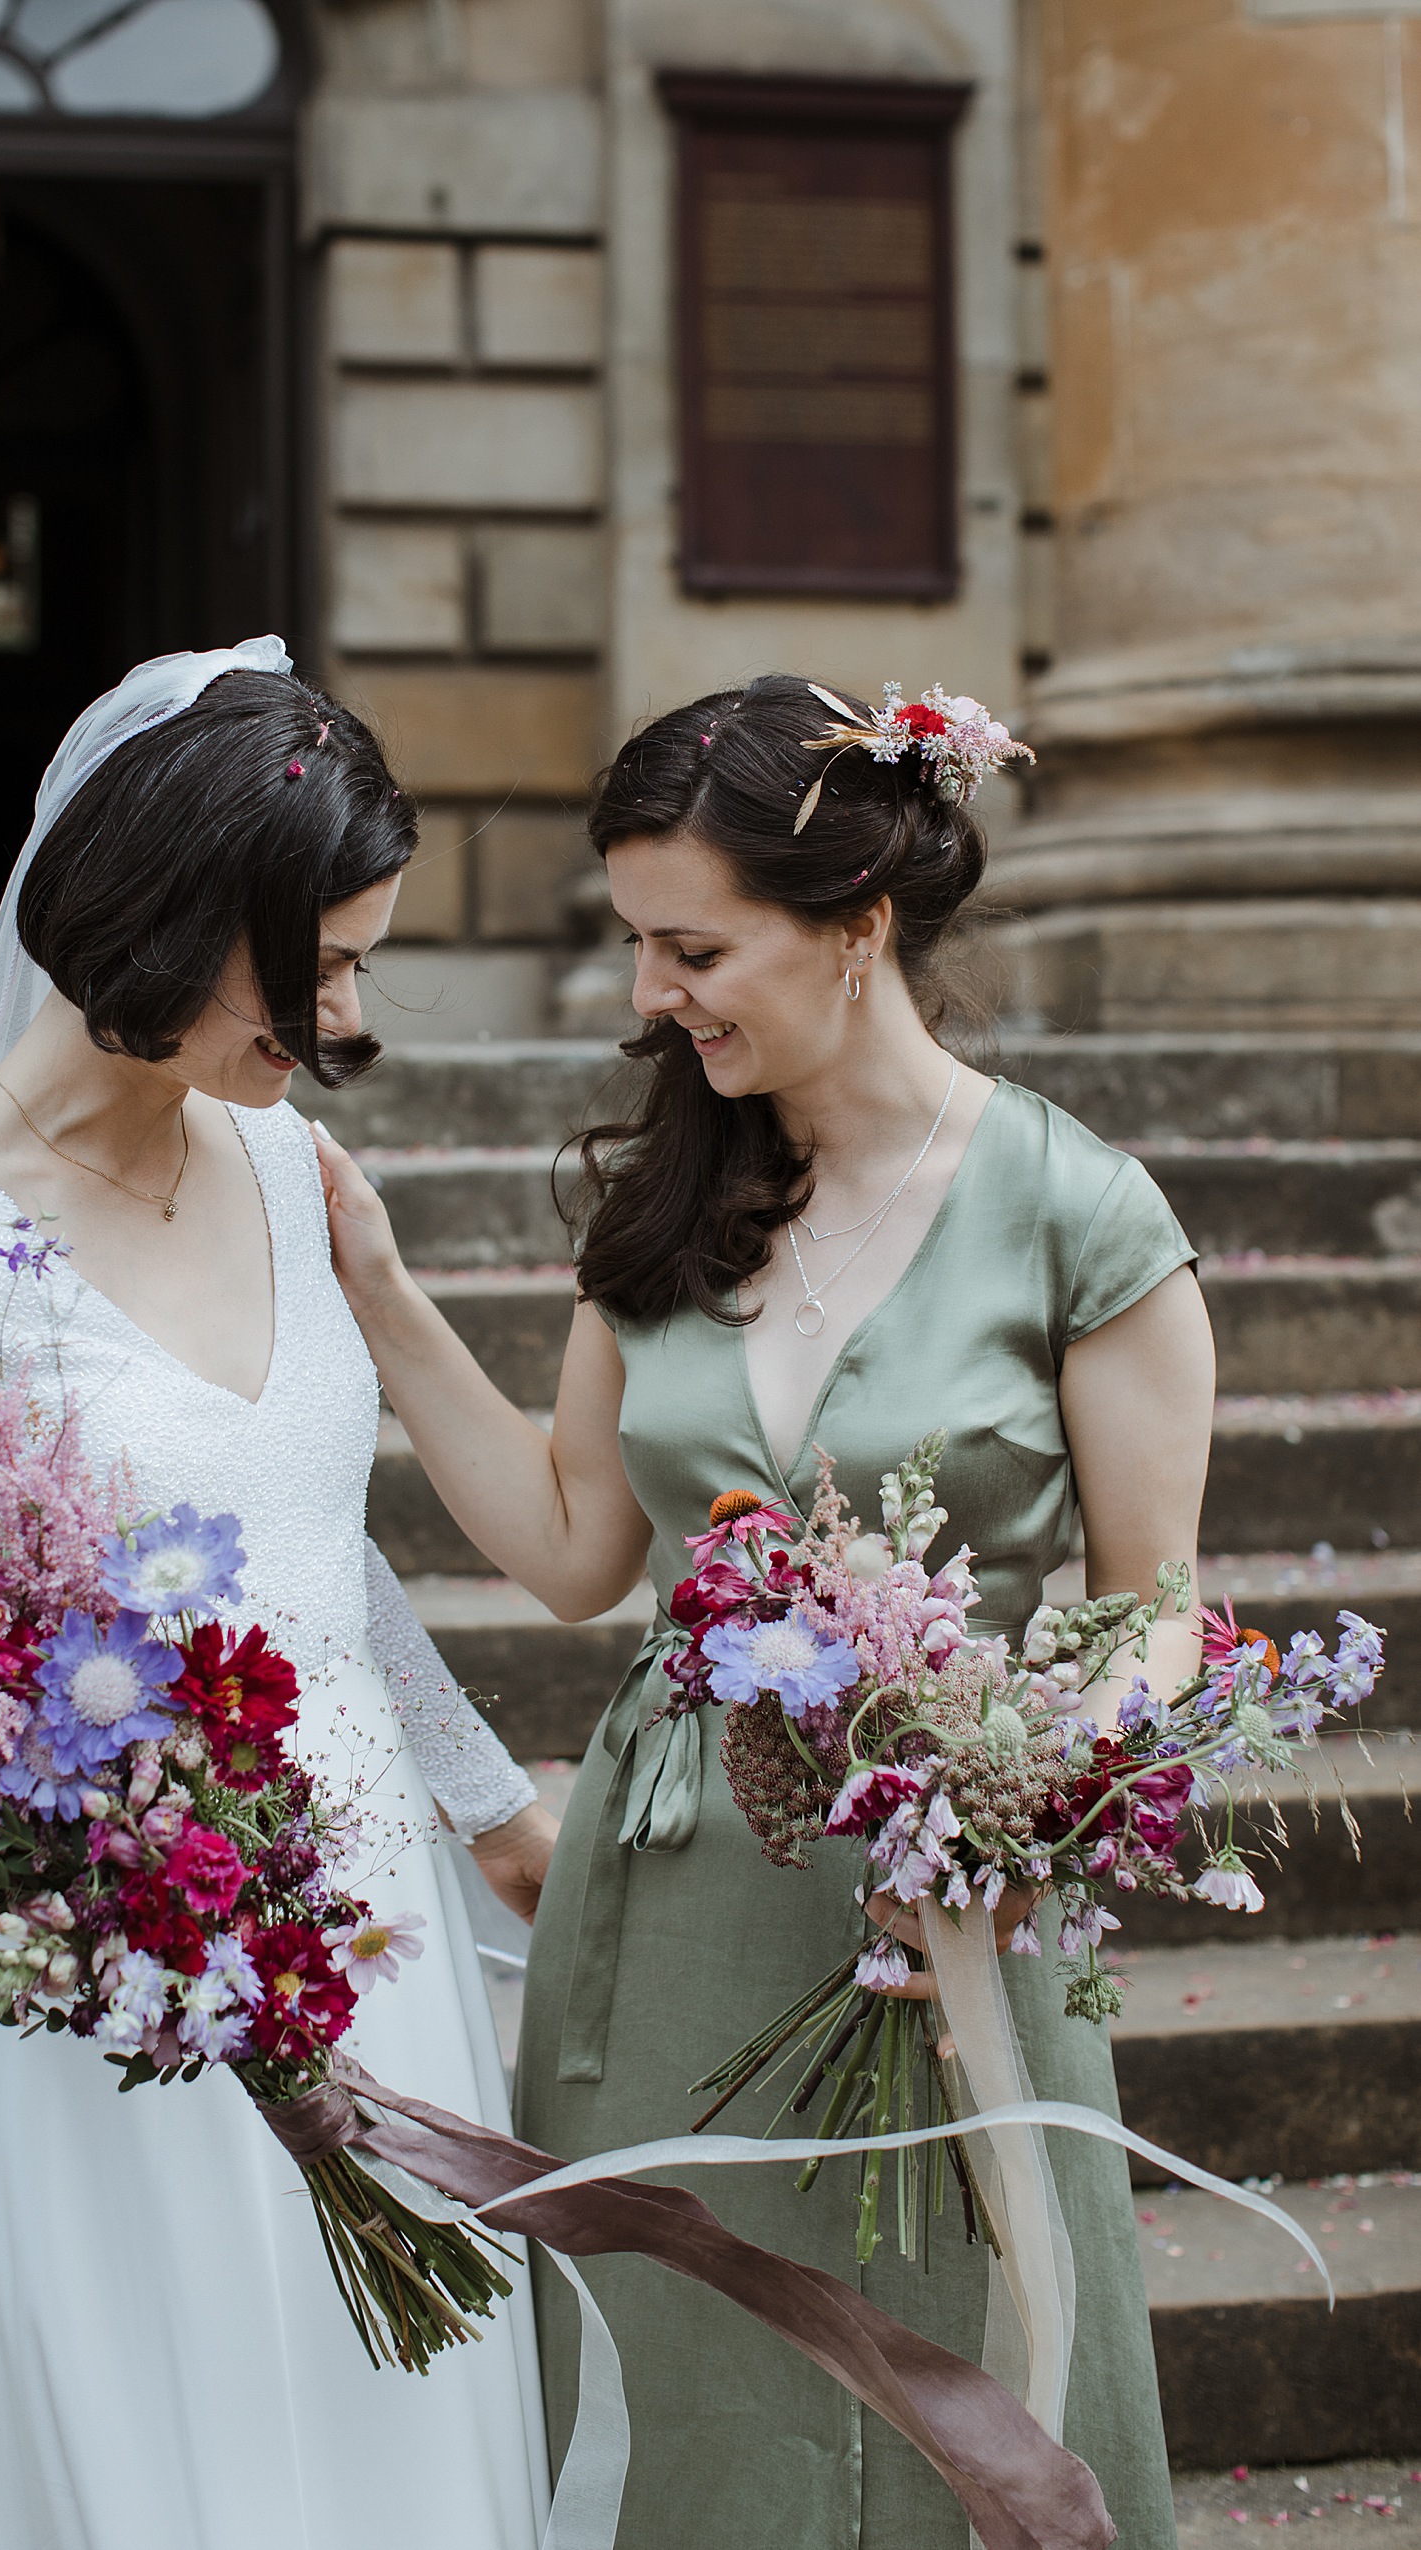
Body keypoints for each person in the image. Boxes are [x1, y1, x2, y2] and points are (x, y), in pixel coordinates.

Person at [313, 672, 1216, 2550]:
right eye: (643, 945)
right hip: (668, 1896)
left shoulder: (1079, 1213)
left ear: (858, 927)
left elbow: (1155, 1609)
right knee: (684, 2389)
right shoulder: (664, 1204)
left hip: (950, 1901)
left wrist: (1024, 1794)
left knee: (973, 2383)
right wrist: (387, 1300)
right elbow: (575, 1554)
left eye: (691, 944)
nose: (654, 993)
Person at [0, 638, 558, 2550]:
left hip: (373, 1939)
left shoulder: (289, 1156)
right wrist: (127, 1883)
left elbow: (315, 1537)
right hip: (123, 1976)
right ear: (176, 913)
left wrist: (488, 1807)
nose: (348, 1010)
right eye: (328, 957)